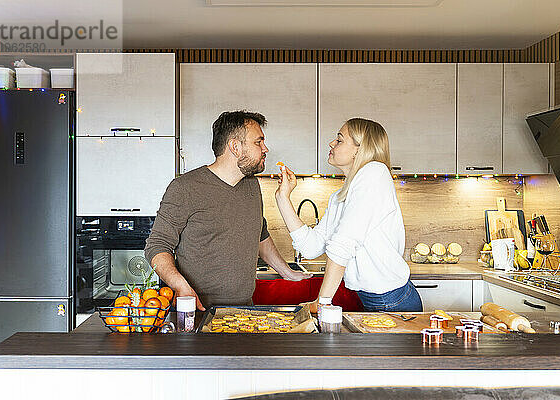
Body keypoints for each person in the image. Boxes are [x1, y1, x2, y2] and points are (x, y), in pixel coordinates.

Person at [145, 110, 310, 311]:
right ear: (234, 146)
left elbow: (260, 235)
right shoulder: (185, 188)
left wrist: (287, 272)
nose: (265, 148)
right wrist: (180, 286)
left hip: (245, 311)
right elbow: (156, 246)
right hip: (198, 311)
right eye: (258, 142)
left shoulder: (252, 186)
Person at [275, 118, 422, 312]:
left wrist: (322, 302)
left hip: (392, 301)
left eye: (339, 139)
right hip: (374, 300)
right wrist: (282, 198)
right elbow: (311, 248)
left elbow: (342, 244)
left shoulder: (375, 173)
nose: (331, 144)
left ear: (359, 149)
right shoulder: (340, 196)